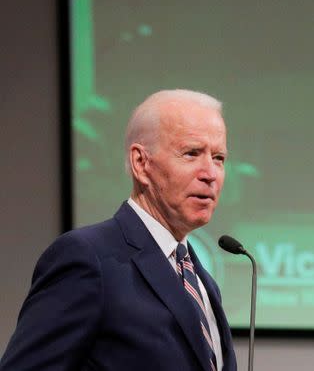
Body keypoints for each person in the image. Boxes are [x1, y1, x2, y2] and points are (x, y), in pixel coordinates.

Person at [0, 89, 237, 371]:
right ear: (141, 163)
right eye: (191, 153)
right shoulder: (87, 258)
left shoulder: (202, 281)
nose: (210, 173)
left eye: (219, 158)